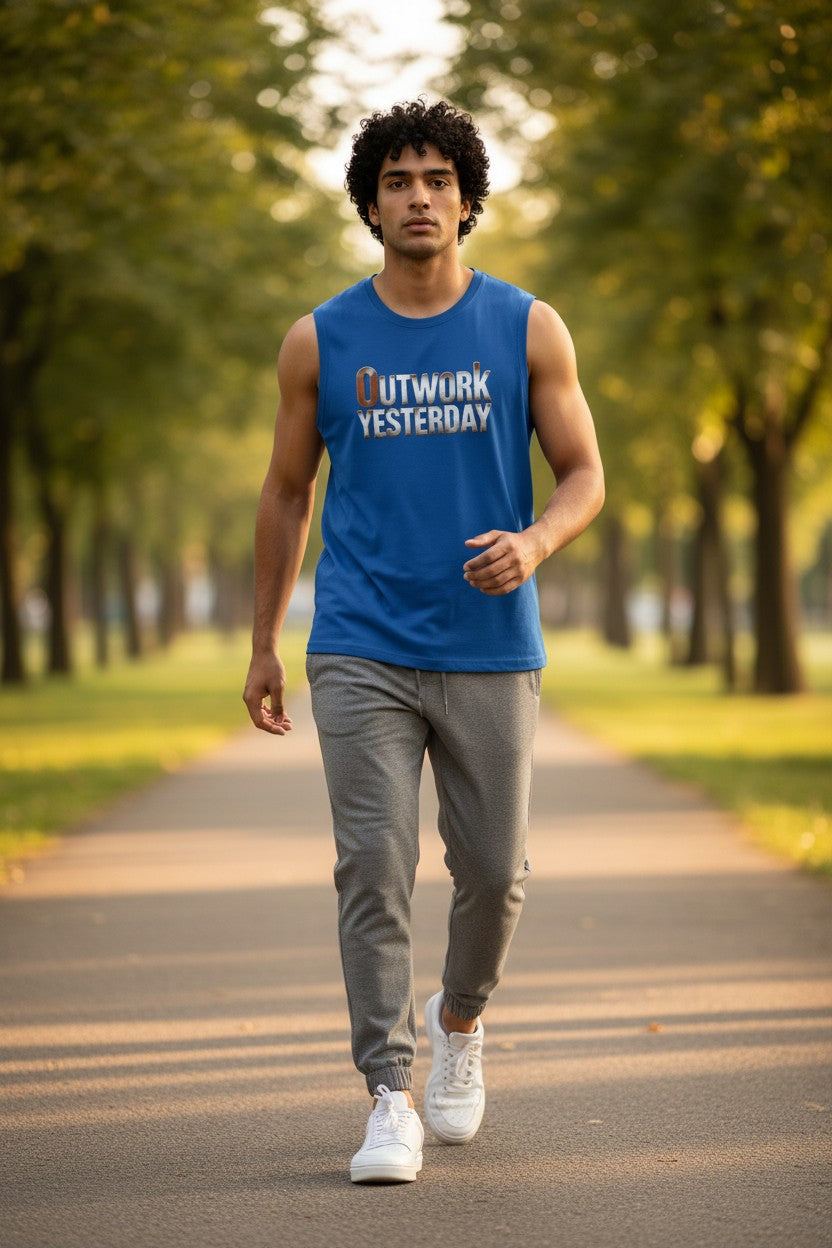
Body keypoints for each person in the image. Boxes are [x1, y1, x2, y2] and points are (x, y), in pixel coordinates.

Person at [243, 98, 604, 1184]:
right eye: (397, 180)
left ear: (466, 199)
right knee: (374, 863)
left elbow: (584, 473)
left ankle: (460, 1022)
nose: (417, 196)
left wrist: (536, 540)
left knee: (494, 874)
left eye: (437, 179)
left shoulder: (526, 326)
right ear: (368, 202)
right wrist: (265, 641)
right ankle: (386, 1093)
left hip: (490, 640)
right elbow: (285, 490)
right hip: (357, 641)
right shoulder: (320, 339)